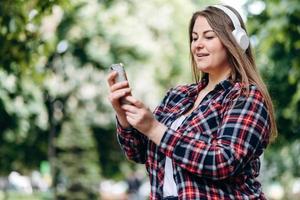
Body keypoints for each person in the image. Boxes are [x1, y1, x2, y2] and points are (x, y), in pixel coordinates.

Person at [107, 4, 277, 200]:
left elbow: (222, 161)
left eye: (208, 36)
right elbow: (139, 153)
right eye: (194, 38)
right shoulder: (177, 96)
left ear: (237, 41)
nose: (197, 44)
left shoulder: (246, 97)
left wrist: (154, 128)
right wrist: (123, 115)